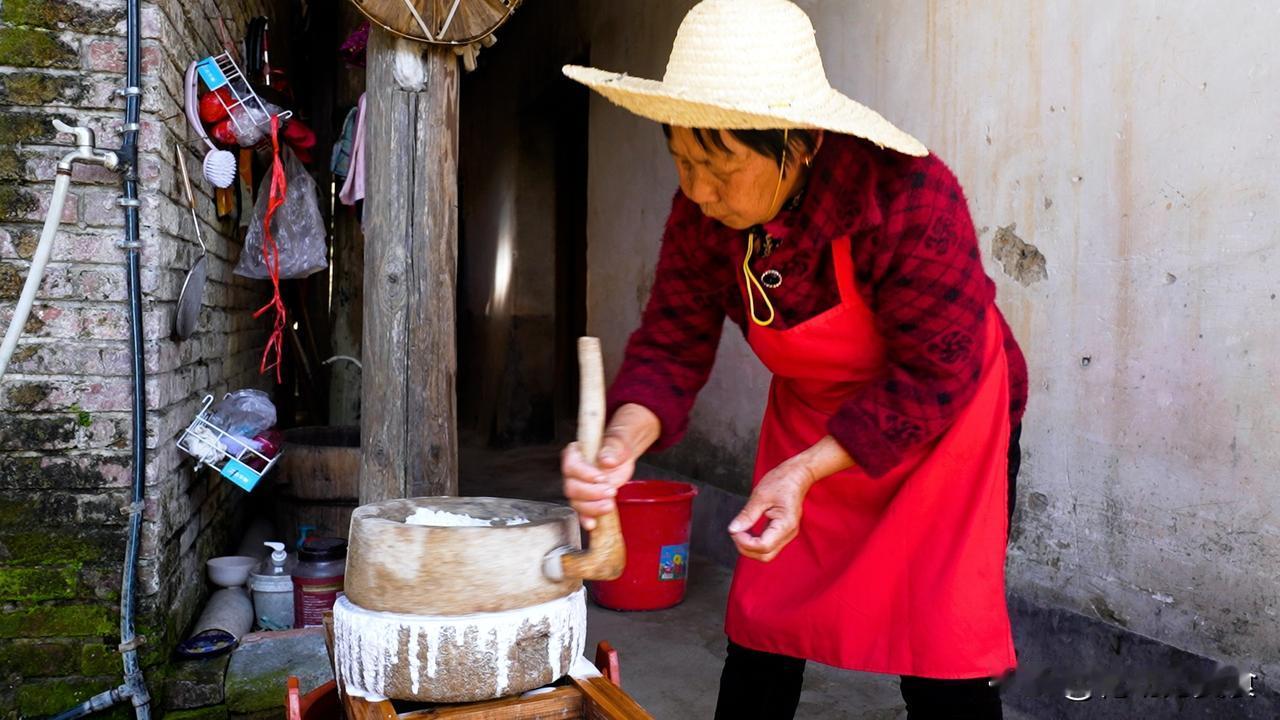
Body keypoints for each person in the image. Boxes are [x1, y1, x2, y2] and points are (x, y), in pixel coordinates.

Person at [560, 1, 1027, 718]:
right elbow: (670, 344)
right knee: (765, 630)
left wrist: (807, 469)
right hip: (815, 415)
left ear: (801, 142)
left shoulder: (906, 194)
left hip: (945, 421)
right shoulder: (702, 216)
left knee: (939, 655)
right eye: (681, 159)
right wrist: (622, 444)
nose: (697, 191)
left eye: (719, 165)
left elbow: (939, 372)